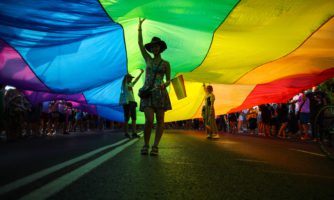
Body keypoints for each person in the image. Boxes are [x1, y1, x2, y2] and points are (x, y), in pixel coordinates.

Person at [138, 18, 172, 156]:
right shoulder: (148, 59)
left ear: (160, 48)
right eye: (152, 46)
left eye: (156, 46)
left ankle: (155, 146)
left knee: (160, 120)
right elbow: (140, 44)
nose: (154, 48)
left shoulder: (166, 64)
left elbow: (169, 80)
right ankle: (145, 144)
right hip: (147, 93)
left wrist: (165, 84)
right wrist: (139, 27)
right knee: (149, 120)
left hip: (160, 94)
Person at [120, 70, 144, 138]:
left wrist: (140, 73)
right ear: (127, 78)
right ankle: (126, 133)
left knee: (134, 118)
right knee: (127, 118)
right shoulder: (124, 85)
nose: (131, 79)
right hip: (127, 103)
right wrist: (125, 71)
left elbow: (136, 80)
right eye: (130, 78)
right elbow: (124, 79)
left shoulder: (131, 84)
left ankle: (134, 133)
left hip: (132, 103)